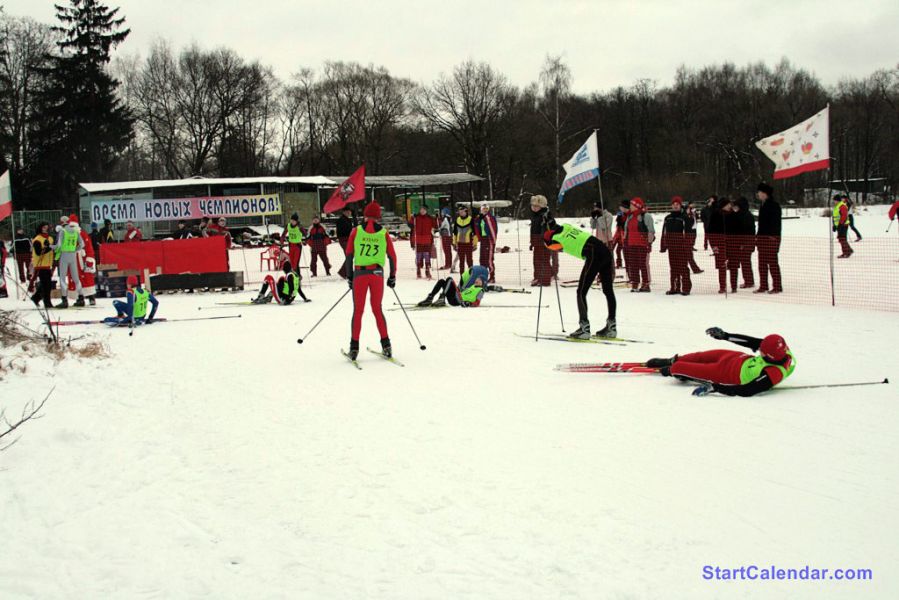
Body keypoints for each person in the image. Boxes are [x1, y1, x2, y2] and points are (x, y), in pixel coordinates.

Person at [647, 327, 795, 397]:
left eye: (762, 352)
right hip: (736, 357)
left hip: (727, 373)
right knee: (700, 356)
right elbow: (752, 342)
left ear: (771, 357)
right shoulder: (782, 350)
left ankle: (673, 370)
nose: (759, 350)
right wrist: (725, 336)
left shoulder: (773, 374)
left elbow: (747, 390)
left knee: (678, 367)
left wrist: (716, 388)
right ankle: (672, 360)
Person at [543, 218, 618, 339]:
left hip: (593, 254)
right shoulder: (566, 227)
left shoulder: (556, 240)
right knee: (608, 290)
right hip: (605, 251)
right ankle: (612, 327)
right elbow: (555, 225)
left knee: (581, 292)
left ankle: (584, 328)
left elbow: (553, 245)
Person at [345, 201, 397, 360]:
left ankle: (354, 348)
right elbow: (392, 256)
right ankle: (386, 345)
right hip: (377, 275)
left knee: (358, 311)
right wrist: (392, 276)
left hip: (360, 274)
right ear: (378, 217)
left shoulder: (356, 231)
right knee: (377, 309)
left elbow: (349, 254)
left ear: (365, 215)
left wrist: (349, 276)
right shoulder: (384, 233)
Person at [660, 196, 691, 295]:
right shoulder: (667, 218)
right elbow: (664, 232)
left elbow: (688, 232)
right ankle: (674, 287)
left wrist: (687, 244)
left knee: (683, 267)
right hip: (671, 246)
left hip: (681, 247)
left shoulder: (684, 217)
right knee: (673, 267)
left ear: (680, 205)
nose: (675, 206)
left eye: (677, 204)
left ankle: (686, 288)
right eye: (674, 204)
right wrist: (663, 245)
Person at [53, 214, 85, 308]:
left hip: (64, 255)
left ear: (61, 222)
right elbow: (82, 244)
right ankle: (81, 298)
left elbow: (58, 246)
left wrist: (50, 247)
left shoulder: (62, 231)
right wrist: (75, 249)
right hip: (73, 255)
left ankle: (64, 300)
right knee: (76, 278)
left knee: (62, 278)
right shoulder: (75, 231)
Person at [623, 197, 655, 292]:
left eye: (632, 205)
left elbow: (651, 231)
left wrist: (649, 243)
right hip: (631, 244)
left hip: (642, 244)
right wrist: (625, 240)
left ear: (637, 206)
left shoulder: (646, 216)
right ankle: (635, 282)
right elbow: (626, 230)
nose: (630, 206)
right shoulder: (630, 216)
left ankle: (645, 283)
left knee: (642, 264)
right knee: (633, 265)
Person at [755, 182, 782, 294]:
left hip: (771, 238)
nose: (758, 194)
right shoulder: (762, 205)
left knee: (772, 263)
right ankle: (763, 285)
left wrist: (773, 236)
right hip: (762, 238)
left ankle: (777, 286)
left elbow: (776, 223)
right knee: (762, 263)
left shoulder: (774, 205)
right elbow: (762, 224)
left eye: (760, 192)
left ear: (765, 193)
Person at [418, 265, 488, 307]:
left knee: (450, 279)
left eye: (479, 280)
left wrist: (469, 304)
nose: (477, 280)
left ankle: (442, 298)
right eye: (477, 278)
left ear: (483, 283)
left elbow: (477, 303)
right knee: (442, 281)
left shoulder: (481, 290)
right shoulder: (472, 286)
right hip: (455, 299)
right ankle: (430, 298)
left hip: (458, 300)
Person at [69, 219, 98, 305]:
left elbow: (88, 247)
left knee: (87, 279)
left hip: (83, 259)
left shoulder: (82, 234)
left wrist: (89, 258)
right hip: (74, 260)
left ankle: (91, 297)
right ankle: (80, 298)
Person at [529, 195, 553, 286]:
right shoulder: (535, 216)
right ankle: (537, 277)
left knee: (544, 260)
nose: (534, 208)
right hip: (536, 242)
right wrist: (532, 242)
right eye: (533, 206)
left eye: (536, 206)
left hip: (544, 242)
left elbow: (549, 228)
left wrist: (545, 239)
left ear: (542, 206)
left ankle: (545, 280)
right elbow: (533, 230)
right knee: (536, 261)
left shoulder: (545, 215)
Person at [29, 223, 54, 308]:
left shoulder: (50, 238)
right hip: (40, 264)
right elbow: (38, 252)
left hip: (48, 264)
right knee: (46, 284)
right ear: (40, 229)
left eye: (47, 227)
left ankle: (36, 298)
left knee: (47, 284)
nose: (46, 229)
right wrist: (49, 247)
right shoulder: (37, 239)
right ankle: (47, 302)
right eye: (44, 228)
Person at [409, 205, 437, 279]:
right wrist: (412, 217)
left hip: (427, 239)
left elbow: (436, 225)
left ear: (426, 210)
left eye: (424, 210)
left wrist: (437, 218)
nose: (422, 211)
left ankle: (427, 271)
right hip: (418, 239)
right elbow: (410, 225)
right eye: (421, 209)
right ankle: (418, 270)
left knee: (426, 255)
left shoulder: (429, 218)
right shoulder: (416, 218)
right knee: (418, 255)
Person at [734, 197, 756, 288]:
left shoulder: (745, 216)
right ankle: (748, 280)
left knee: (745, 262)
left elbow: (746, 230)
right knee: (745, 262)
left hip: (746, 242)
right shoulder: (743, 215)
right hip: (746, 242)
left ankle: (749, 281)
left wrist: (743, 243)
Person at [474, 202, 498, 282]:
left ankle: (492, 276)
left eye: (486, 209)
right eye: (483, 209)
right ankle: (483, 276)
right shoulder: (479, 218)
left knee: (489, 259)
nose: (485, 210)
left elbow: (493, 228)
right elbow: (476, 226)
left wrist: (493, 240)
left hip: (489, 240)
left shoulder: (490, 217)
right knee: (482, 259)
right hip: (483, 240)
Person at [453, 205, 476, 274]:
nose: (461, 213)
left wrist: (475, 244)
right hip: (460, 243)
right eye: (460, 212)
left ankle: (471, 275)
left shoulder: (470, 219)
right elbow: (455, 232)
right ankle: (462, 276)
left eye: (463, 212)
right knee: (461, 261)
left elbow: (475, 233)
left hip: (468, 243)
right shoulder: (457, 219)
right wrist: (454, 243)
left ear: (466, 212)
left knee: (469, 261)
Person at [335, 207, 356, 279]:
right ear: (343, 212)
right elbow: (343, 230)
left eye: (349, 211)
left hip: (348, 239)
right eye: (347, 211)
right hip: (344, 239)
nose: (349, 213)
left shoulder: (347, 220)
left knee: (350, 255)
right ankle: (344, 272)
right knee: (350, 255)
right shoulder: (341, 220)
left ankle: (346, 272)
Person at [684, 201, 703, 274]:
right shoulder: (685, 216)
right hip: (686, 236)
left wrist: (694, 214)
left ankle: (694, 269)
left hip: (690, 233)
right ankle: (695, 269)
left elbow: (695, 219)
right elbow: (689, 222)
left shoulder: (692, 212)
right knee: (688, 255)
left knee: (688, 255)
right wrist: (690, 214)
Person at [832, 194, 853, 258]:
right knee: (841, 238)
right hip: (839, 225)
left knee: (842, 239)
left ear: (837, 200)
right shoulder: (837, 206)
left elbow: (844, 216)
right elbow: (835, 216)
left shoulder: (842, 206)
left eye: (834, 200)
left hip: (843, 225)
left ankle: (846, 252)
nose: (834, 201)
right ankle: (848, 250)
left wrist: (840, 224)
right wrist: (835, 225)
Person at [611, 200, 628, 269]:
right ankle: (617, 263)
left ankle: (626, 263)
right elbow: (617, 222)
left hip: (622, 235)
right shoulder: (620, 213)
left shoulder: (627, 214)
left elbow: (625, 224)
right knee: (613, 249)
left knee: (620, 250)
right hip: (617, 234)